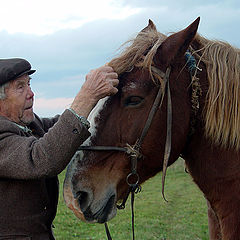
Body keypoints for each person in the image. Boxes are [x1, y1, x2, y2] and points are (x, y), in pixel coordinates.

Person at [0, 58, 119, 240]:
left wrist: (101, 101)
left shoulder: (28, 123)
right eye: (20, 87)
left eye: (29, 85)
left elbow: (61, 130)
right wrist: (86, 96)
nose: (31, 93)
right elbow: (42, 158)